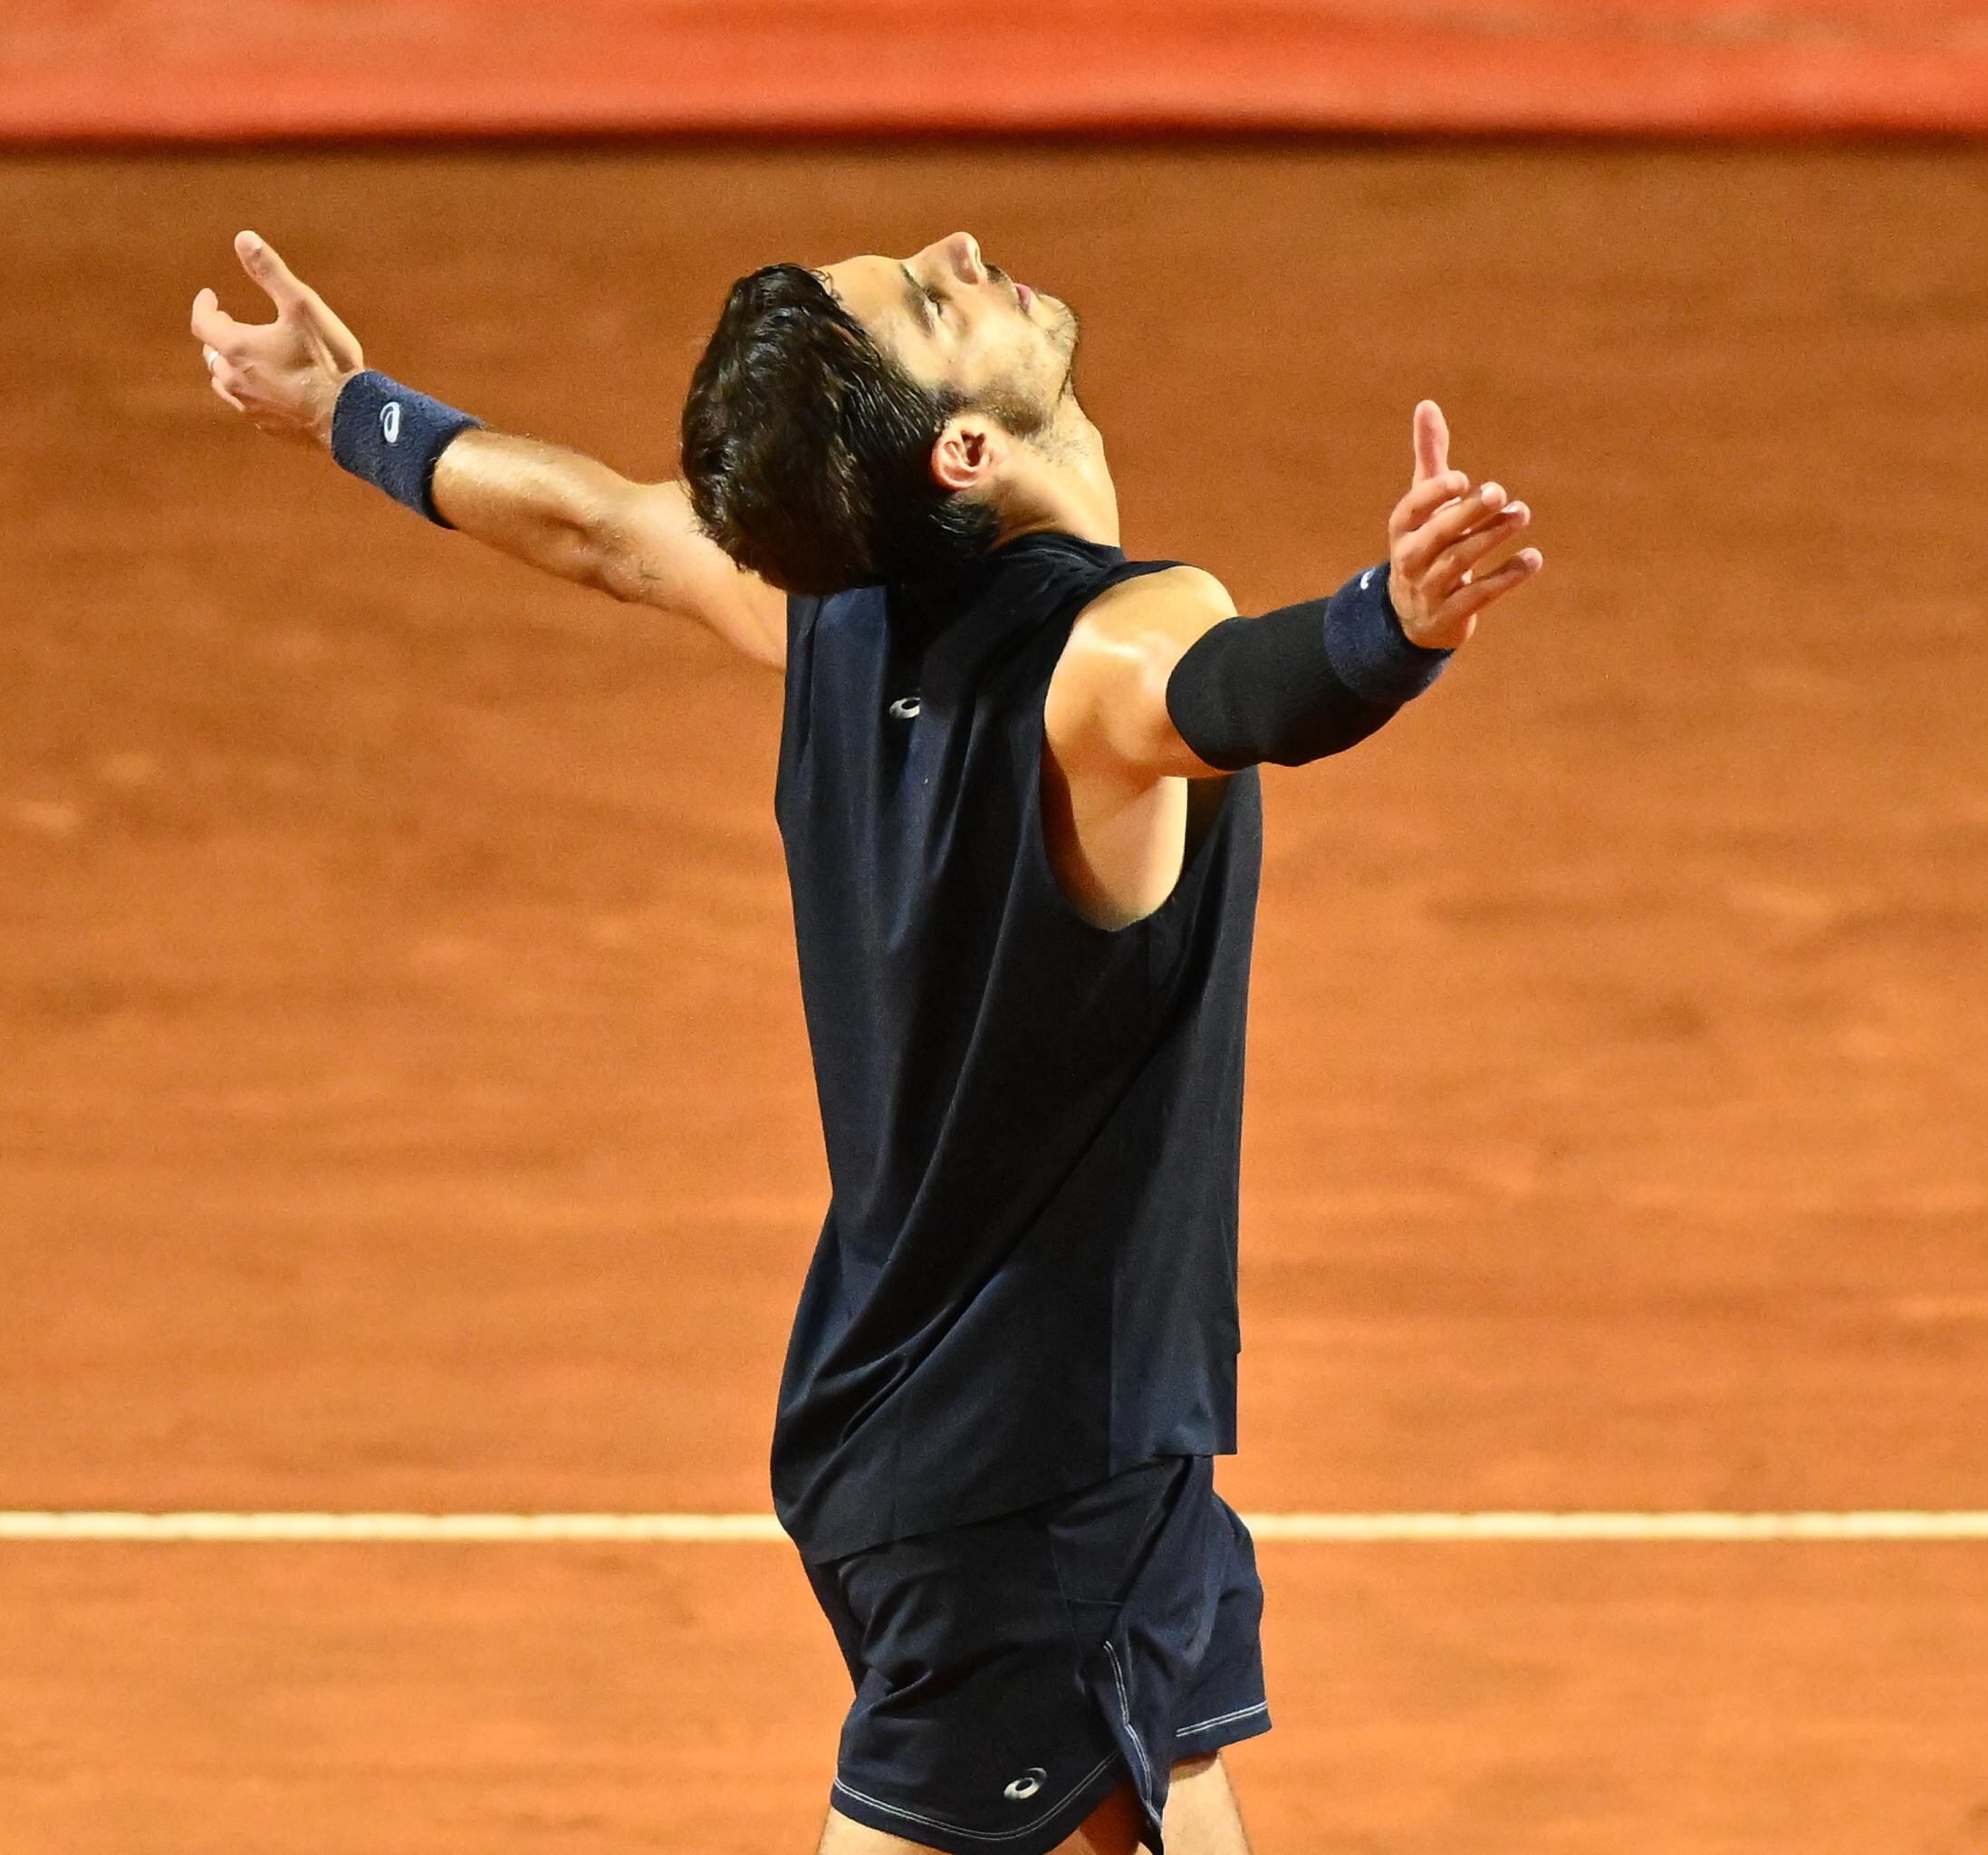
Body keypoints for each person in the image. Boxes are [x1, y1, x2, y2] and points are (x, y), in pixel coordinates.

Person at [190, 226, 1543, 1855]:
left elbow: (605, 529)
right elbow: (1244, 688)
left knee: (1175, 1807)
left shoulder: (832, 621)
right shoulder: (1107, 649)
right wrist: (1391, 626)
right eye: (930, 299)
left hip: (981, 1438)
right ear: (961, 452)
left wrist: (349, 411)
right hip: (1034, 1482)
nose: (959, 252)